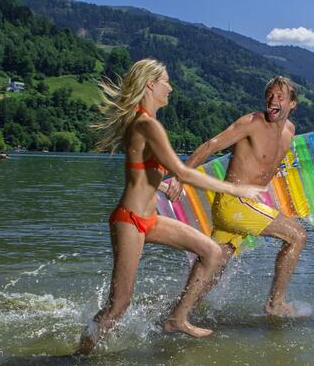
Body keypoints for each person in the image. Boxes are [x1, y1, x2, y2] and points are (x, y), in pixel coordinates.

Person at [76, 59, 266, 355]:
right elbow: (184, 172)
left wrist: (159, 184)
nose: (171, 87)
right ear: (151, 84)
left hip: (149, 218)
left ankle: (178, 317)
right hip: (130, 220)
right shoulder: (147, 123)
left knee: (212, 252)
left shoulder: (141, 121)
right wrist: (236, 189)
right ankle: (78, 356)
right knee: (119, 304)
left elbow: (138, 168)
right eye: (166, 81)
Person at [167, 76, 307, 317]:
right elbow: (211, 146)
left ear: (292, 104)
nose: (273, 101)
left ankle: (173, 315)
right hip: (233, 204)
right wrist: (180, 177)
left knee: (213, 269)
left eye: (280, 97)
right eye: (270, 96)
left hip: (244, 205)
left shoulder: (289, 132)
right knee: (297, 236)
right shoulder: (251, 122)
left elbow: (266, 167)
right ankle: (275, 304)